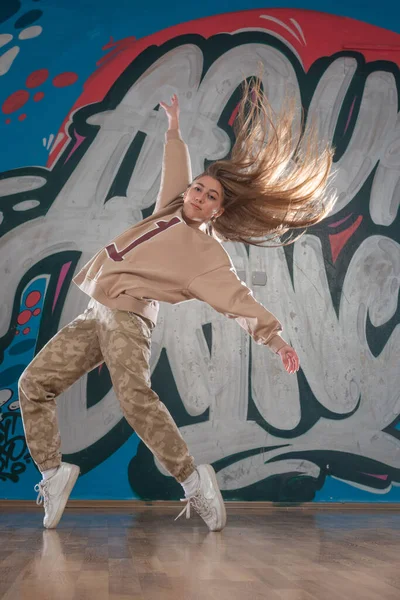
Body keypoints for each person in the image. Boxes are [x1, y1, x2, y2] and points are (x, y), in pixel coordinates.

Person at [18, 79, 335, 532]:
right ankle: (53, 472)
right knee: (34, 383)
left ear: (217, 213)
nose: (199, 197)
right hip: (98, 313)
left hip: (128, 319)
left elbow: (237, 300)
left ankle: (193, 481)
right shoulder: (169, 208)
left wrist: (275, 339)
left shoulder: (207, 255)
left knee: (135, 400)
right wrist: (174, 129)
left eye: (210, 198)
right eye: (197, 189)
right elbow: (175, 167)